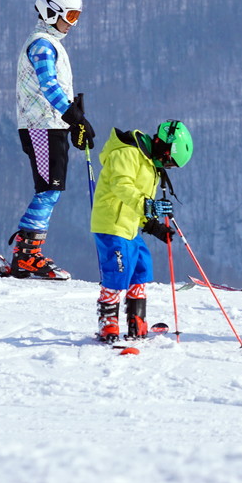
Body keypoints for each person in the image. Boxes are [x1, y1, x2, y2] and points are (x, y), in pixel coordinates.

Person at [8, 0, 95, 280]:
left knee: (50, 190)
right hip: (41, 127)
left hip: (49, 126)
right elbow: (49, 87)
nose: (73, 24)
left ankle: (26, 253)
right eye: (69, 16)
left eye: (77, 16)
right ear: (50, 11)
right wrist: (75, 118)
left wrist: (73, 120)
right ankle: (27, 254)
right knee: (49, 190)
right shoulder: (42, 44)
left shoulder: (49, 43)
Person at [89, 120, 190, 342]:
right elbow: (121, 186)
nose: (166, 166)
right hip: (112, 224)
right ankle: (108, 323)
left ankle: (137, 320)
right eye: (168, 161)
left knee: (142, 268)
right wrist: (148, 206)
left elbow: (141, 198)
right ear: (163, 146)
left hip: (130, 226)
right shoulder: (126, 153)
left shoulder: (149, 163)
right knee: (117, 272)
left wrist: (152, 224)